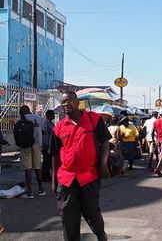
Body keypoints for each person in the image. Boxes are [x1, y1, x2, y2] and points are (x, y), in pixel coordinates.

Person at [50, 90, 110, 241]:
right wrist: (53, 180)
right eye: (63, 101)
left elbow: (105, 142)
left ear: (77, 102)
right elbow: (55, 155)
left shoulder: (93, 119)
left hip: (89, 176)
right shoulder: (59, 128)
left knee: (91, 213)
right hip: (67, 178)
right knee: (68, 216)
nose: (66, 104)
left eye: (69, 100)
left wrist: (103, 164)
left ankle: (101, 235)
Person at [17, 105, 46, 198]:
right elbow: (44, 131)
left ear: (21, 112)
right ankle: (41, 190)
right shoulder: (39, 118)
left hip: (25, 146)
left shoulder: (20, 120)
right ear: (29, 111)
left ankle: (29, 192)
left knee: (28, 169)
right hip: (37, 145)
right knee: (38, 167)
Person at [42, 110, 55, 182]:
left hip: (51, 145)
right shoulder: (45, 123)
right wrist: (46, 146)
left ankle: (47, 175)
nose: (53, 115)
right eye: (52, 114)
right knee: (46, 161)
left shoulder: (51, 123)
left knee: (49, 161)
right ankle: (44, 176)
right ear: (48, 115)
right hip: (47, 145)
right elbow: (45, 135)